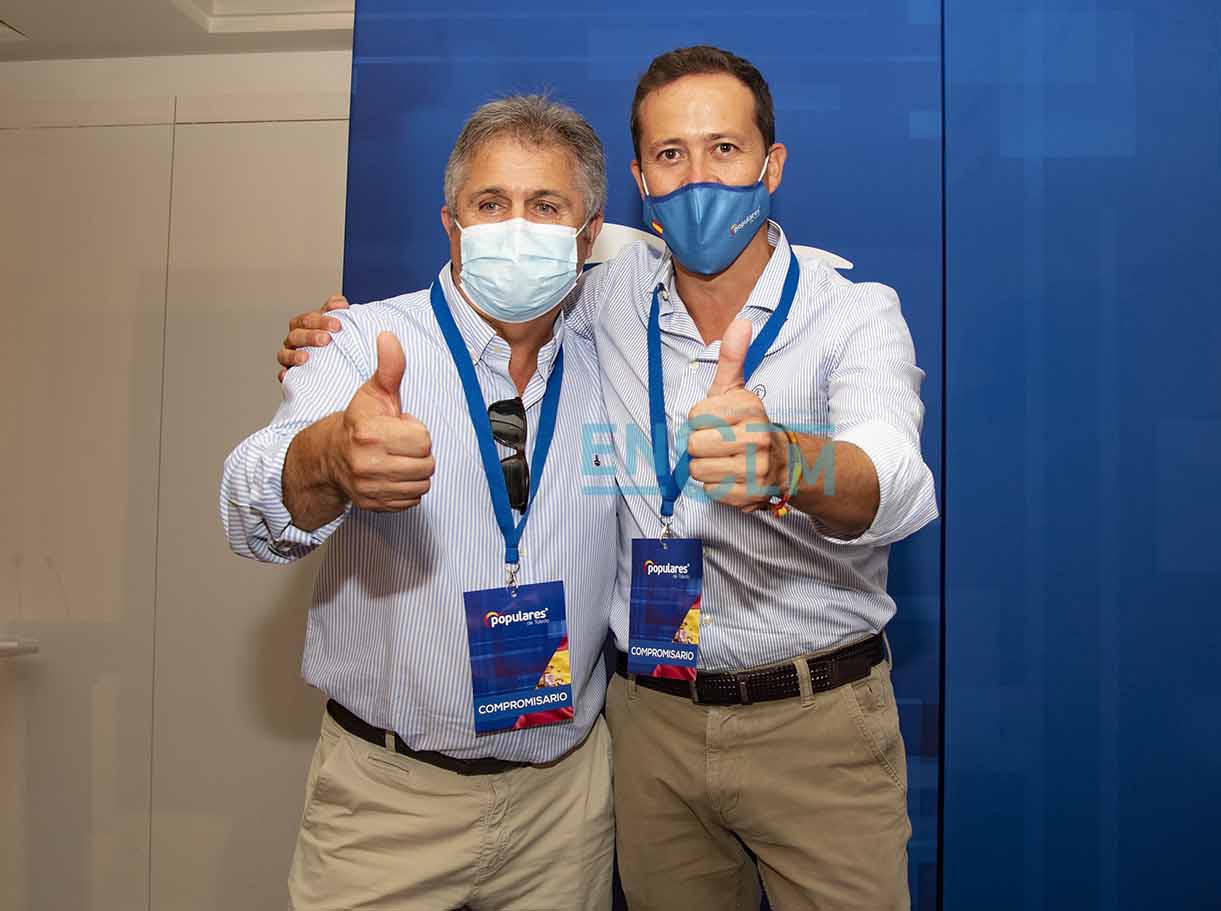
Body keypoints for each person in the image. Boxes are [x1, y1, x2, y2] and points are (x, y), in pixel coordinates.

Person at [279, 46, 938, 911]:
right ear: (640, 181)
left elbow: (895, 477)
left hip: (812, 718)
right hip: (649, 723)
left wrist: (788, 462)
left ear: (771, 164)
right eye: (670, 154)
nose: (697, 178)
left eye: (724, 149)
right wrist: (329, 363)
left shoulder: (850, 313)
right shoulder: (600, 298)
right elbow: (497, 283)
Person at [221, 94, 617, 911]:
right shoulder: (361, 345)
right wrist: (329, 457)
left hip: (563, 804)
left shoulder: (615, 364)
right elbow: (247, 501)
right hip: (388, 804)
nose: (516, 228)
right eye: (490, 203)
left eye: (546, 206)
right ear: (451, 225)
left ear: (587, 235)